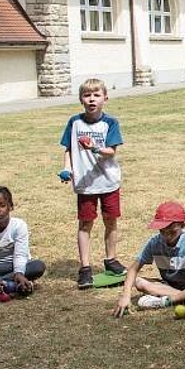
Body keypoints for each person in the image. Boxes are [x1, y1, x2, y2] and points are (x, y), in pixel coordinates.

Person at [59, 78, 127, 289]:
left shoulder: (110, 123)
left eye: (96, 95)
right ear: (81, 99)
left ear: (105, 98)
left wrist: (94, 148)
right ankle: (85, 267)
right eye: (87, 95)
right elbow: (69, 148)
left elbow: (111, 151)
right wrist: (67, 168)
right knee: (85, 224)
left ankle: (111, 259)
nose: (91, 99)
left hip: (108, 182)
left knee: (110, 220)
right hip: (85, 184)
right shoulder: (74, 123)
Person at [112, 201, 185, 317]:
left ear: (183, 225)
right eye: (162, 232)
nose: (167, 236)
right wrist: (125, 295)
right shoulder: (154, 243)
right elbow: (133, 269)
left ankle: (168, 301)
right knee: (139, 282)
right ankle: (183, 297)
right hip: (169, 287)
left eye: (172, 232)